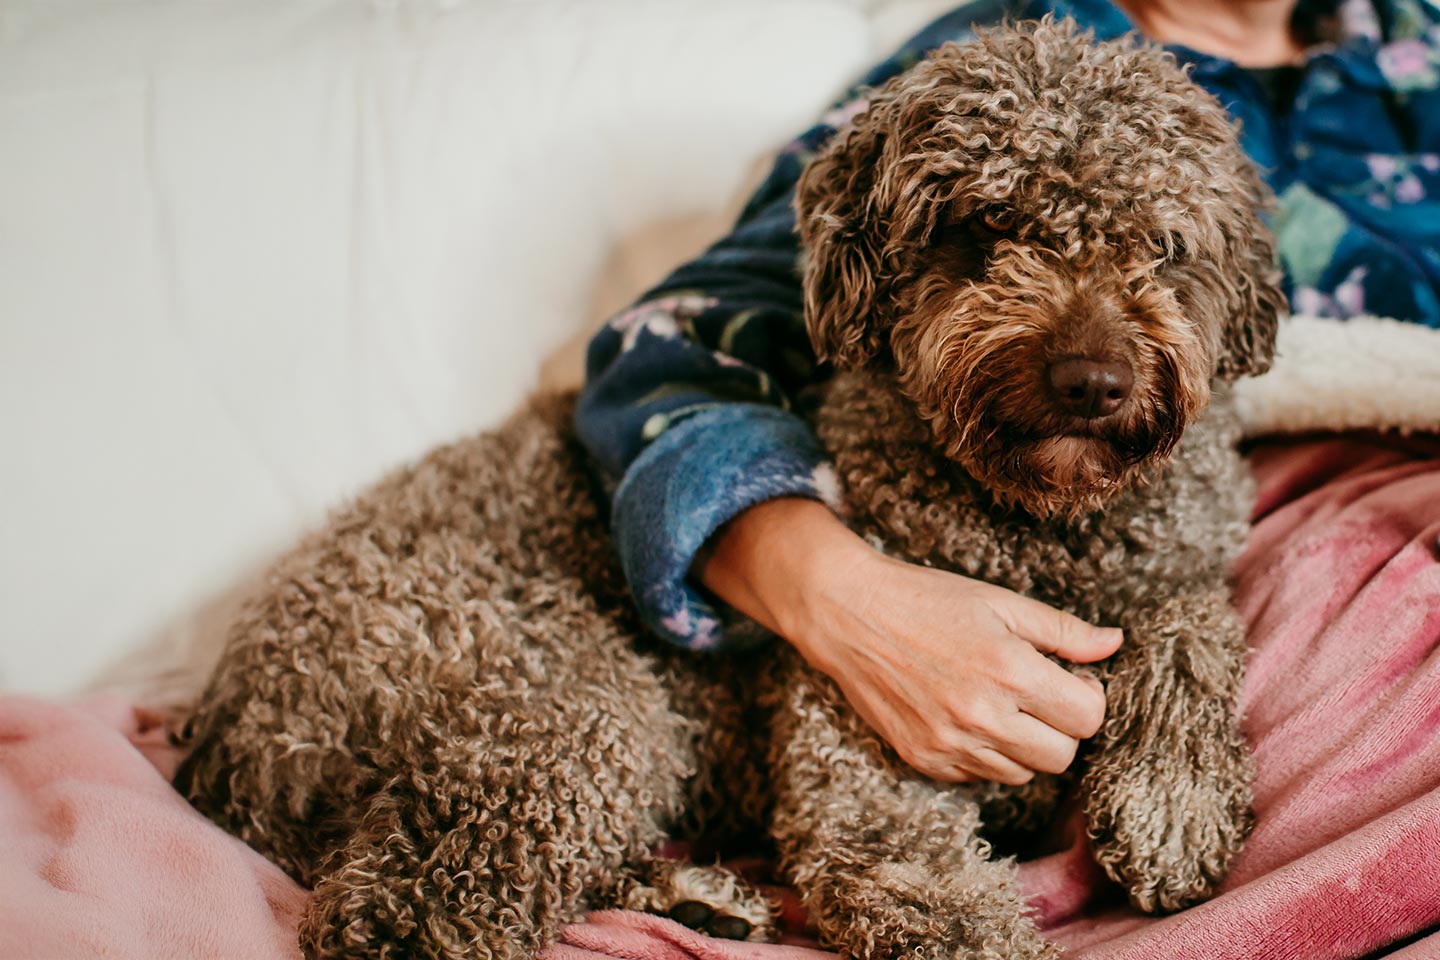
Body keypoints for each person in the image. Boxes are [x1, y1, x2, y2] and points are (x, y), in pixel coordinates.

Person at [575, 0, 1440, 785]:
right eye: (996, 229)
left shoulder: (1422, 46)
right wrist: (842, 597)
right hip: (1245, 559)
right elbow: (664, 352)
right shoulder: (987, 67)